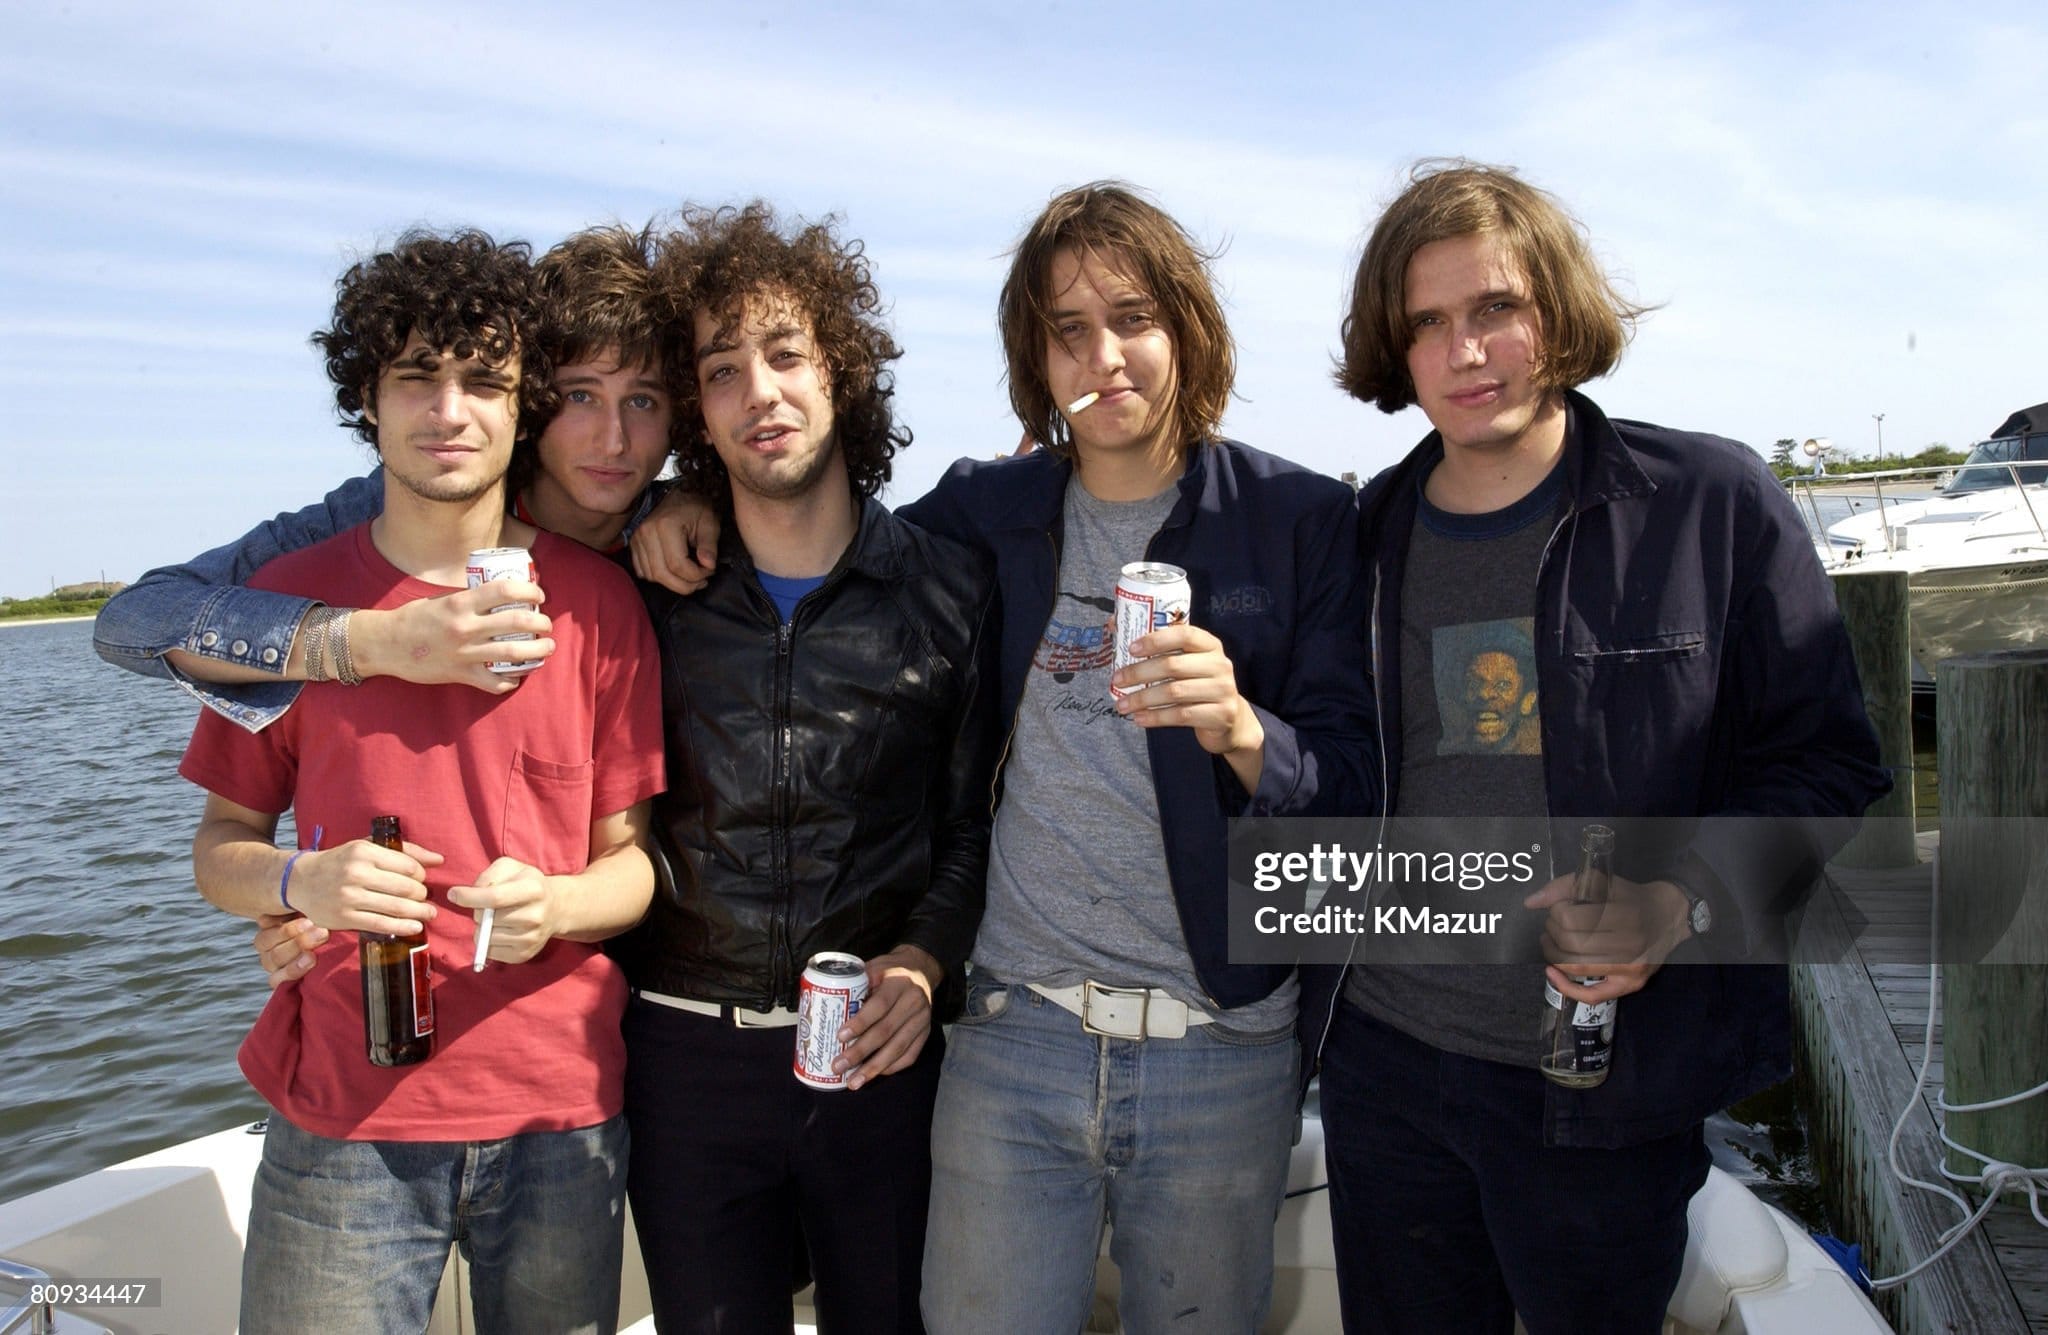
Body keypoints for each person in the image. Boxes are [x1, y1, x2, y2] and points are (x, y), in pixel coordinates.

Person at [635, 181, 1376, 1334]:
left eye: (1131, 317)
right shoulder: (983, 511)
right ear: (1035, 360)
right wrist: (683, 493)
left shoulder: (1295, 518)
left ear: (1185, 324)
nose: (1106, 355)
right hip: (1008, 1039)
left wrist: (1242, 731)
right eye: (1066, 331)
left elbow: (1354, 797)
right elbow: (818, 517)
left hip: (1219, 1050)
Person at [1311, 161, 1890, 1334]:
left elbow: (1831, 766)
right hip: (1379, 1069)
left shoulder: (1711, 504)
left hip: (1602, 1088)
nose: (1464, 351)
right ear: (1394, 349)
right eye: (1426, 324)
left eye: (1494, 309)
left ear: (1558, 314)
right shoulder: (1357, 535)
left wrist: (1677, 900)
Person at [172, 229, 665, 1333]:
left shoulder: (599, 604)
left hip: (562, 1114)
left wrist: (557, 904)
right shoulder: (290, 610)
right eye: (415, 378)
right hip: (345, 1120)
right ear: (368, 398)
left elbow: (628, 867)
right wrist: (303, 881)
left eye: (484, 381)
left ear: (521, 403)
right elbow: (219, 850)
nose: (450, 411)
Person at [614, 201, 996, 1333]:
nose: (759, 394)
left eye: (785, 356)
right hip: (683, 1064)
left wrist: (925, 962)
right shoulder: (648, 596)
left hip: (883, 1065)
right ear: (698, 412)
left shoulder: (950, 590)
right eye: (722, 372)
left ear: (843, 375)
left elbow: (971, 827)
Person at [93, 223, 679, 730]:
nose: (613, 438)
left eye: (644, 401)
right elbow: (135, 619)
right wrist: (372, 641)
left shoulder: (702, 522)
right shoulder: (389, 507)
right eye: (580, 395)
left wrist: (694, 501)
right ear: (537, 396)